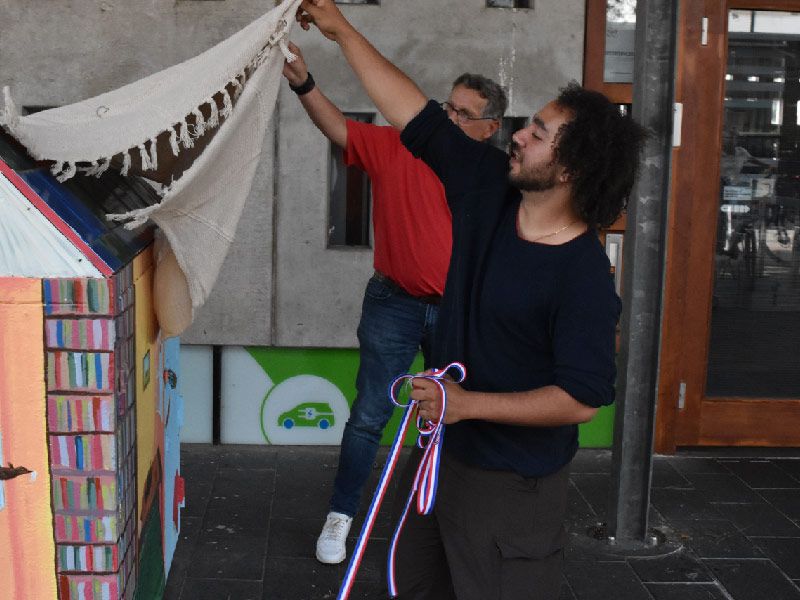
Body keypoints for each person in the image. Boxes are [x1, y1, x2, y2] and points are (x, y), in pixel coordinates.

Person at [295, 2, 647, 598]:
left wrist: (469, 404)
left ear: (572, 169)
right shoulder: (489, 189)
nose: (520, 134)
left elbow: (583, 398)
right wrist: (340, 30)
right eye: (526, 123)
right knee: (412, 583)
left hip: (512, 482)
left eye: (540, 132)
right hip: (440, 457)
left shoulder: (583, 275)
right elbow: (414, 114)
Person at [281, 42, 507, 565]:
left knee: (454, 414)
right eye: (446, 106)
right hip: (395, 303)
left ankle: (445, 518)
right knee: (369, 414)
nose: (448, 117)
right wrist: (303, 83)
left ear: (490, 128)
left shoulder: (496, 176)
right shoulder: (404, 145)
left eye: (463, 113)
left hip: (460, 310)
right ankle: (341, 515)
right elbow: (338, 128)